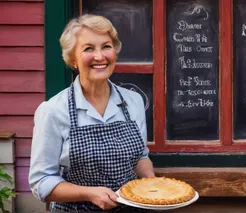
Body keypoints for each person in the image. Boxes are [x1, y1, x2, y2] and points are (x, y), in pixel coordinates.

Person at [29, 14, 156, 212]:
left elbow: (140, 155)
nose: (100, 56)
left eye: (106, 46)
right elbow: (42, 182)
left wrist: (152, 183)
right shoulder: (53, 111)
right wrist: (89, 193)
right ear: (72, 59)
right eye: (88, 48)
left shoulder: (133, 102)